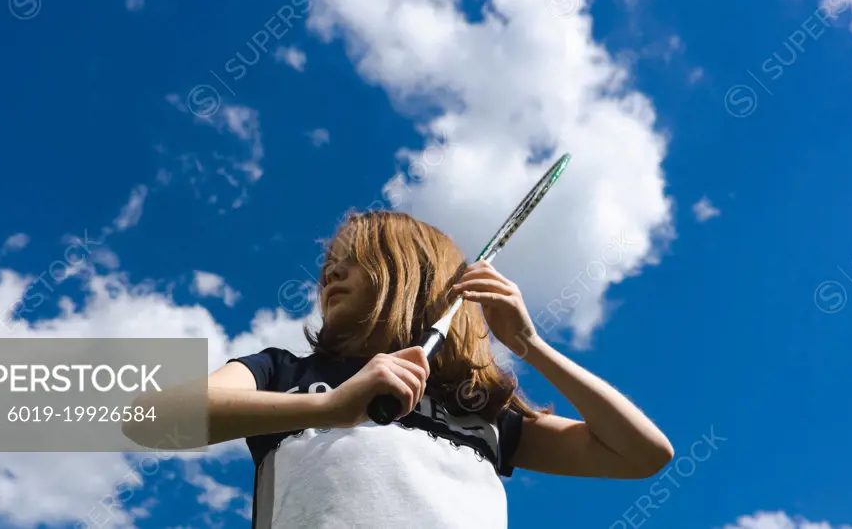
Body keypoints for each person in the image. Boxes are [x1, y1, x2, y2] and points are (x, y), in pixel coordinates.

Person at [123, 210, 673, 528]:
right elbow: (148, 417)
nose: (331, 274)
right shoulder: (283, 373)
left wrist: (530, 344)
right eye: (327, 266)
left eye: (354, 259)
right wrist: (330, 407)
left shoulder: (479, 413)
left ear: (411, 274)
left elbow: (643, 453)